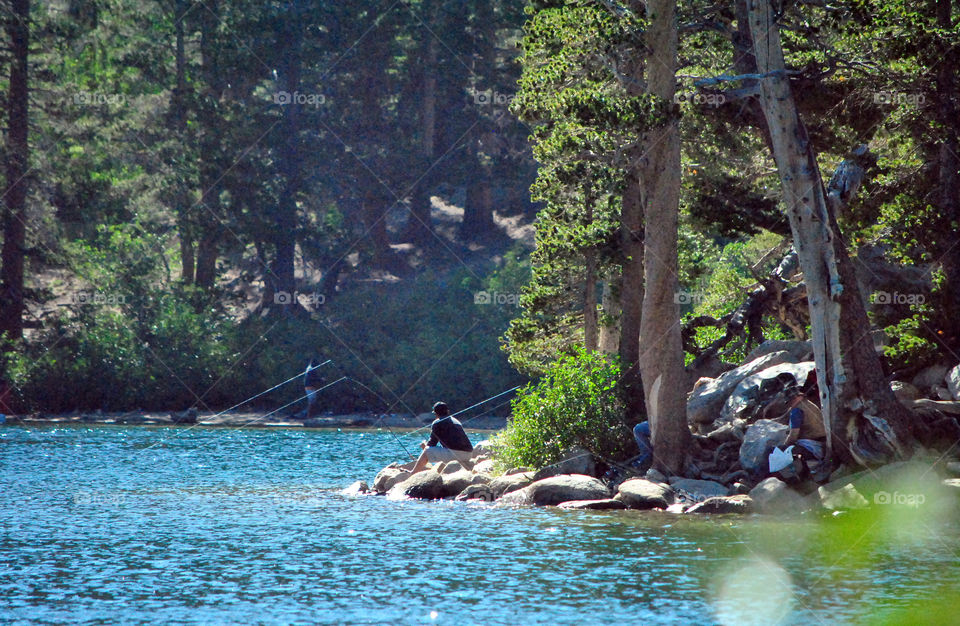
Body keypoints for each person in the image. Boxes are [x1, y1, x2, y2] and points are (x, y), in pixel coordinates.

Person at [770, 382, 827, 481]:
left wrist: (783, 447)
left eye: (790, 401)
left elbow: (793, 436)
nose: (790, 404)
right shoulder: (810, 404)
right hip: (822, 443)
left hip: (812, 446)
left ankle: (791, 479)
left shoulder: (796, 411)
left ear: (796, 398)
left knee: (777, 451)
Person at [407, 402, 474, 474]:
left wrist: (424, 446)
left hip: (456, 455)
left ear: (435, 414)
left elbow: (432, 444)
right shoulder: (456, 421)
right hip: (469, 454)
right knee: (442, 449)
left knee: (427, 451)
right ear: (448, 411)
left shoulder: (437, 422)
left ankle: (413, 473)